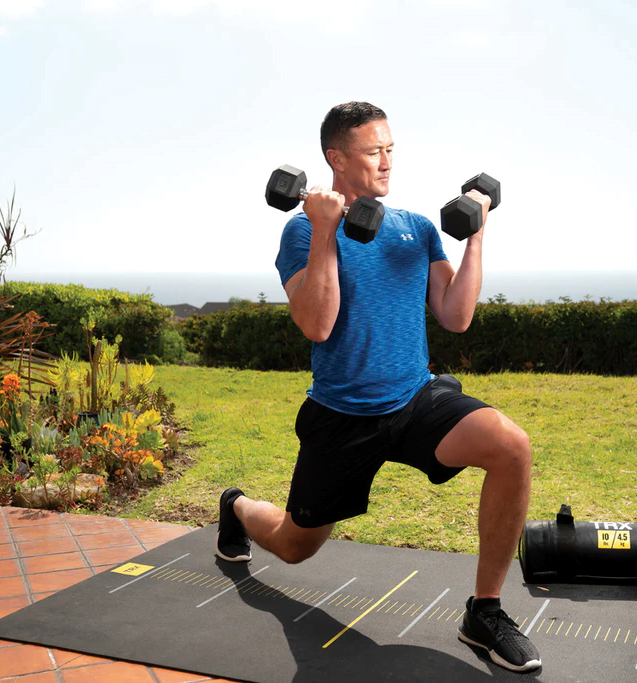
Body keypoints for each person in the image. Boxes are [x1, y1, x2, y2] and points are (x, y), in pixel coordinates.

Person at [216, 101, 540, 673]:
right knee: (294, 546)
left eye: (391, 149)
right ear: (335, 158)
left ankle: (484, 612)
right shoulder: (301, 230)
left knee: (511, 445)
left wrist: (477, 237)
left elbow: (455, 316)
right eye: (374, 151)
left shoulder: (414, 228)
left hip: (415, 399)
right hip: (342, 413)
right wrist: (323, 231)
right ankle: (236, 507)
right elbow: (317, 324)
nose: (387, 162)